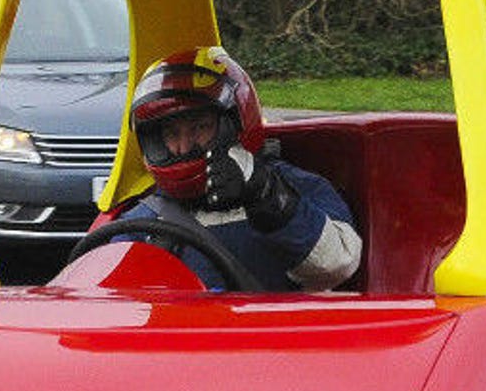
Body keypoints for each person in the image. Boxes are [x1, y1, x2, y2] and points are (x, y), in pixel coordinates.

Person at [121, 46, 361, 291]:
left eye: (199, 128)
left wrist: (267, 197)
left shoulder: (299, 188)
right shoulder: (145, 218)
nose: (183, 147)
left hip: (276, 327)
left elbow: (339, 265)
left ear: (236, 122)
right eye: (172, 133)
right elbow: (107, 296)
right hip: (188, 328)